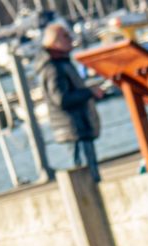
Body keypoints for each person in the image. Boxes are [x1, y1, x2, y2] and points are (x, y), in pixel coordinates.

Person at [35, 23, 102, 180]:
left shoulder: (61, 62)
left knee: (88, 175)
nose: (71, 39)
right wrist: (89, 92)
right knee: (86, 178)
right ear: (55, 41)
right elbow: (61, 99)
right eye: (66, 36)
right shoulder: (53, 67)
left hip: (77, 128)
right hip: (73, 130)